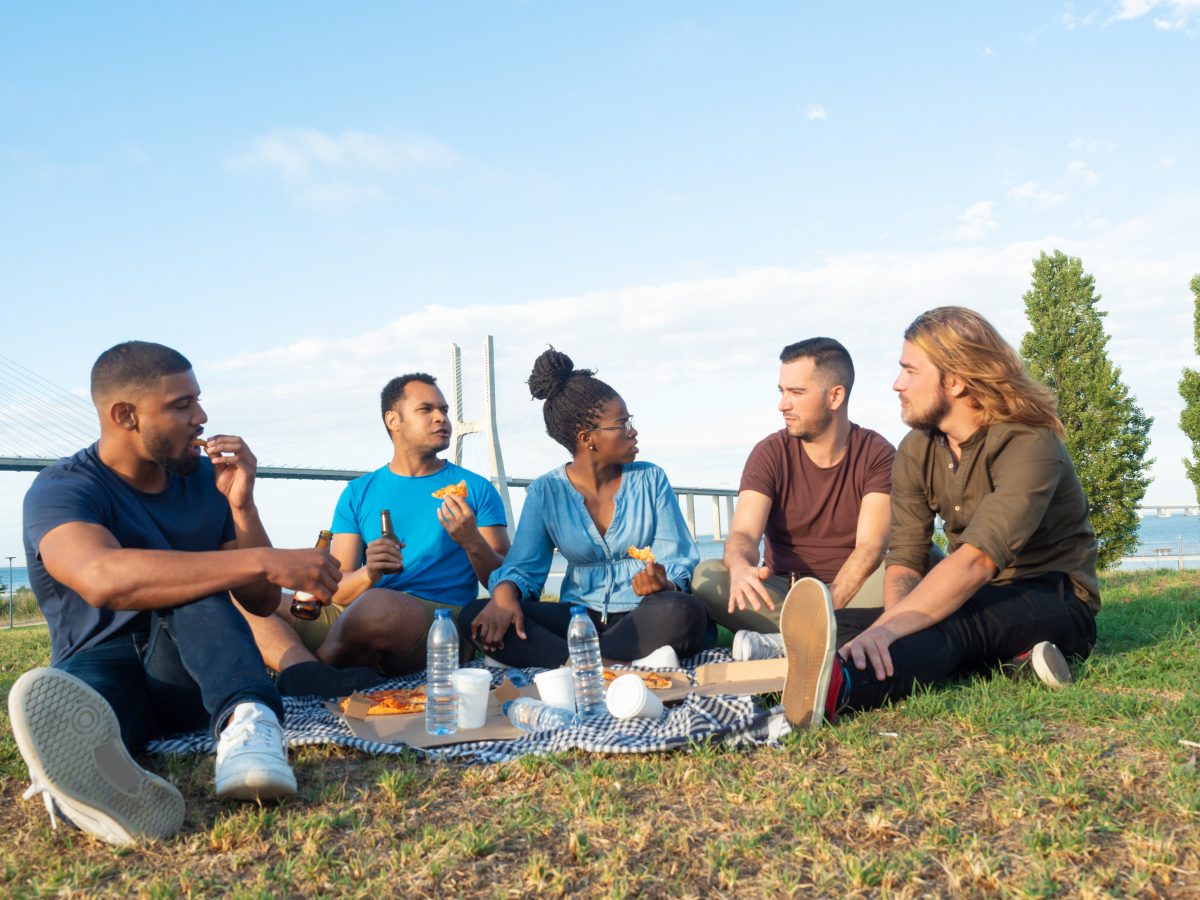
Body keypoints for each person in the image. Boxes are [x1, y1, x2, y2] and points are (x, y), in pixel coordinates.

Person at [10, 341, 344, 846]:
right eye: (181, 405)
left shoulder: (206, 480)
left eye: (198, 401)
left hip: (196, 667)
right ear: (125, 415)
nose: (201, 417)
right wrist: (266, 559)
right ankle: (90, 785)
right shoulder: (63, 488)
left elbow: (256, 601)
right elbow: (100, 576)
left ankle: (251, 726)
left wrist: (242, 509)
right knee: (86, 722)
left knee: (196, 589)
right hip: (100, 662)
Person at [780, 308, 1100, 729]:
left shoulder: (1029, 442)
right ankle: (773, 667)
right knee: (862, 625)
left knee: (948, 625)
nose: (897, 384)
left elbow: (976, 561)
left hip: (1055, 596)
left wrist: (894, 632)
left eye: (909, 371)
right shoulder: (917, 448)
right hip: (975, 591)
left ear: (954, 380)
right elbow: (906, 557)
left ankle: (839, 690)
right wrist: (891, 629)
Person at [241, 373, 510, 695]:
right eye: (426, 409)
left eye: (445, 410)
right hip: (357, 613)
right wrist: (370, 572)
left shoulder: (475, 489)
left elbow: (504, 581)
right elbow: (337, 592)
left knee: (376, 606)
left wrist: (472, 541)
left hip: (439, 621)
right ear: (393, 420)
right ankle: (302, 669)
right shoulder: (358, 492)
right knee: (242, 598)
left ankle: (313, 674)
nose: (442, 418)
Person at [458, 348, 706, 668]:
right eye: (622, 423)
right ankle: (612, 663)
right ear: (587, 438)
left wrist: (665, 583)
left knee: (685, 611)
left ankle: (572, 663)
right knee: (473, 616)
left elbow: (677, 559)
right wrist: (504, 593)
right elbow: (524, 568)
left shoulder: (650, 478)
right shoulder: (545, 491)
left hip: (643, 614)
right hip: (577, 619)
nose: (633, 431)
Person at [691, 338, 895, 661]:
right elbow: (744, 534)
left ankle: (791, 643)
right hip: (786, 592)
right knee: (706, 577)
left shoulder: (877, 453)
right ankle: (825, 638)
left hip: (853, 593)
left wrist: (827, 604)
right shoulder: (769, 453)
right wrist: (741, 565)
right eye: (781, 391)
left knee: (919, 561)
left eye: (796, 393)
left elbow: (871, 547)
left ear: (835, 396)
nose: (783, 404)